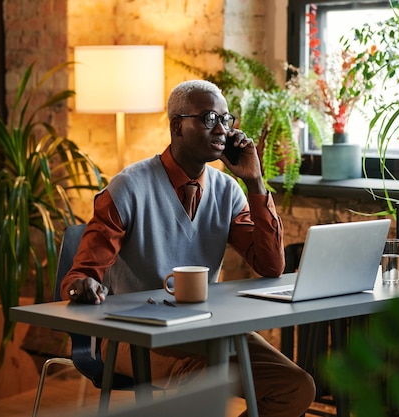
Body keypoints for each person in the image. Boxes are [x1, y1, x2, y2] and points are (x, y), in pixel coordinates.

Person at [60, 79, 316, 416]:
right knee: (199, 380)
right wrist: (84, 286)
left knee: (295, 386)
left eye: (226, 119)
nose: (222, 129)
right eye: (210, 118)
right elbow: (79, 277)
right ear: (177, 126)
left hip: (205, 329)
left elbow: (270, 266)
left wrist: (255, 182)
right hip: (130, 337)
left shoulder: (228, 191)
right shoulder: (128, 188)